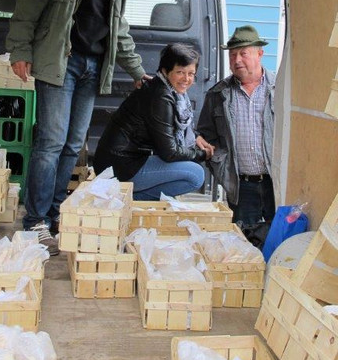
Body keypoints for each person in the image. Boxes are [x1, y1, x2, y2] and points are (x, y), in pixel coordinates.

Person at [6, 0, 150, 254]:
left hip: (93, 65)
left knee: (72, 145)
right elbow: (31, 0)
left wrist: (137, 70)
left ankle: (55, 214)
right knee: (51, 142)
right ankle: (35, 221)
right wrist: (20, 48)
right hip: (61, 60)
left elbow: (118, 27)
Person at [93, 43, 214, 200]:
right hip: (118, 167)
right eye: (180, 72)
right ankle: (129, 199)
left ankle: (131, 197)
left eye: (191, 74)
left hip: (122, 161)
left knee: (189, 164)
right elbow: (170, 153)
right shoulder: (161, 96)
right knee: (196, 174)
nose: (186, 79)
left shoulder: (166, 89)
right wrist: (202, 154)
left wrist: (195, 137)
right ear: (165, 70)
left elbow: (168, 129)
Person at [198, 25, 276, 228]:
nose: (237, 60)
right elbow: (205, 135)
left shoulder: (279, 89)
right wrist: (220, 164)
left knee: (279, 238)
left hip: (276, 182)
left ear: (259, 54)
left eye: (243, 53)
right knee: (244, 239)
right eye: (232, 55)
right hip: (241, 186)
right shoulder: (217, 94)